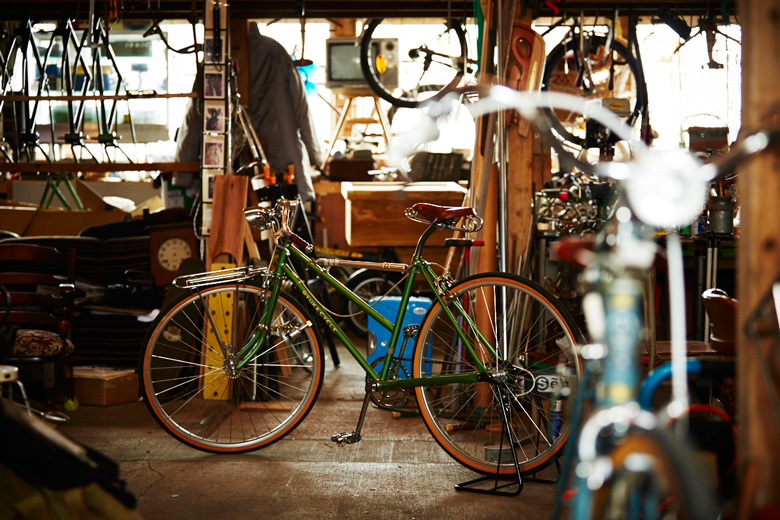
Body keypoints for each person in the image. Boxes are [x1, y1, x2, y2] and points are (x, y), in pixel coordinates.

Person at [247, 25, 322, 203]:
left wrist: (182, 175)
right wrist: (315, 156)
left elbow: (192, 118)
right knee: (287, 217)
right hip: (283, 148)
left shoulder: (223, 52)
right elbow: (301, 109)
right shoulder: (275, 50)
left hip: (245, 158)